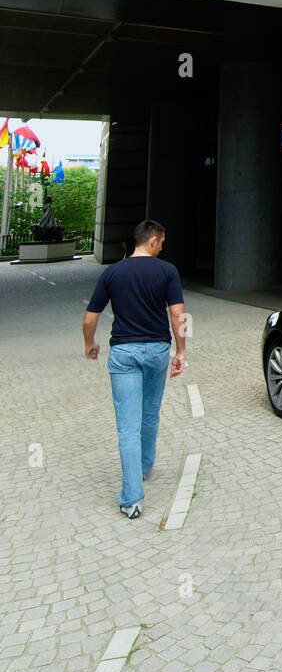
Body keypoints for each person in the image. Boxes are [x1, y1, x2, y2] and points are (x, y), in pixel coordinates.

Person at [82, 219, 187, 519]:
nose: (162, 248)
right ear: (153, 241)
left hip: (124, 353)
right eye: (162, 243)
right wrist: (181, 350)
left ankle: (132, 500)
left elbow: (90, 318)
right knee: (150, 412)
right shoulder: (167, 271)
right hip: (156, 351)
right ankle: (143, 467)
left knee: (128, 424)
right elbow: (178, 314)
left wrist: (90, 343)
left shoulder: (112, 273)